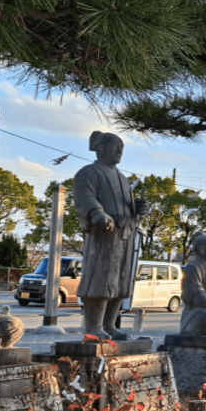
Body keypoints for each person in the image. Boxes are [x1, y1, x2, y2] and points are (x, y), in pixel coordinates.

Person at [74, 131, 150, 340]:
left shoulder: (123, 178)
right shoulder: (88, 172)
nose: (119, 151)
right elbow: (85, 197)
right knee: (100, 279)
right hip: (103, 234)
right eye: (115, 146)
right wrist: (97, 213)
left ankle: (109, 325)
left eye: (121, 147)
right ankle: (94, 326)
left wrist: (138, 209)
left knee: (121, 281)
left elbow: (127, 206)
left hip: (125, 234)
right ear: (101, 148)